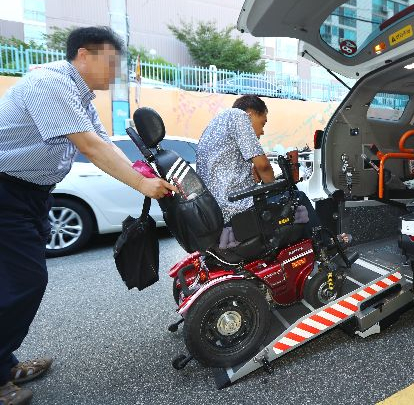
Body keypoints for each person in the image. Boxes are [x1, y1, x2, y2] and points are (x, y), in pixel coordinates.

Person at [0, 26, 177, 405]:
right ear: (84, 54)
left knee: (12, 282)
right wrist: (141, 185)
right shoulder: (49, 83)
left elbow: (104, 143)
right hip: (6, 191)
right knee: (24, 281)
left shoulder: (79, 96)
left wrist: (144, 174)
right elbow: (90, 147)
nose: (115, 73)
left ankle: (4, 363)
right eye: (110, 63)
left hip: (30, 194)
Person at [196, 95, 322, 232]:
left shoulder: (214, 125)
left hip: (216, 210)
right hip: (235, 208)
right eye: (263, 123)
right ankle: (324, 241)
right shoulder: (239, 116)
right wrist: (276, 189)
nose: (262, 131)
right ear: (251, 113)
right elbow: (264, 166)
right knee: (297, 198)